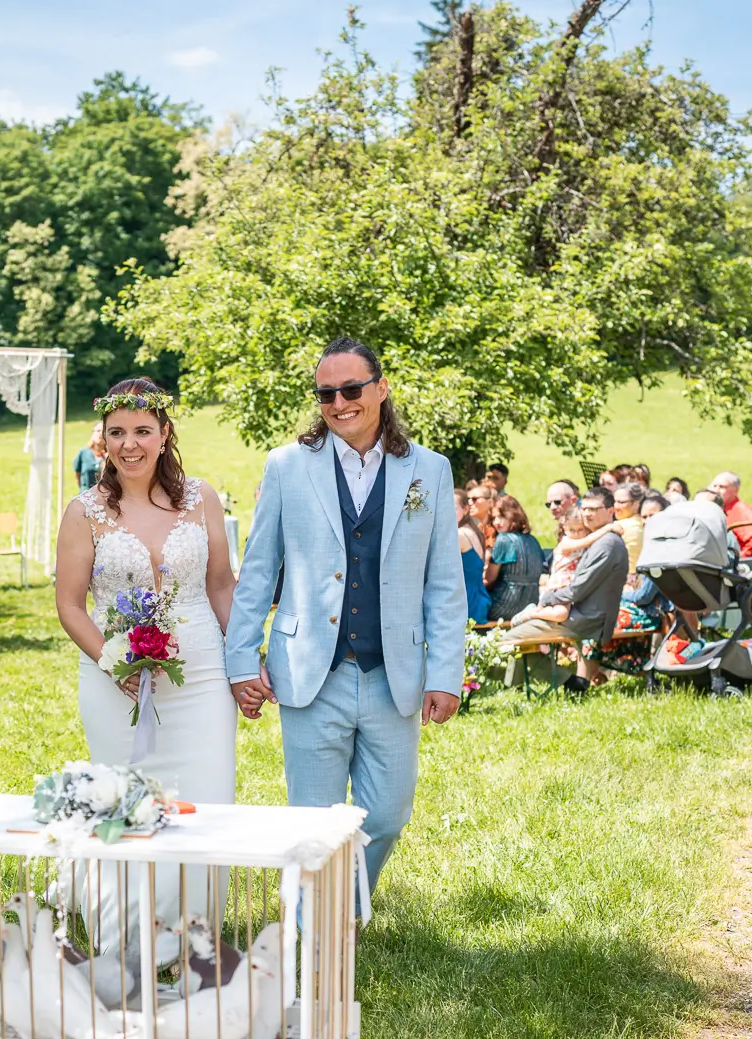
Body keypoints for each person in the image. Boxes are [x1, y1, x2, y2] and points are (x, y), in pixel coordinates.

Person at [226, 339, 465, 898]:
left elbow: (444, 582)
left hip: (392, 672)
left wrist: (445, 673)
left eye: (351, 389)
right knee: (313, 824)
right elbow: (258, 569)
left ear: (381, 389)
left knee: (387, 815)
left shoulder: (429, 470)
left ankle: (345, 905)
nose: (339, 403)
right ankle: (316, 927)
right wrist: (240, 660)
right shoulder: (287, 465)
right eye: (326, 394)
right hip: (310, 668)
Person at [56, 377, 238, 942]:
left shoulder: (202, 498)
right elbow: (70, 605)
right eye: (117, 432)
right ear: (103, 440)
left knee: (206, 797)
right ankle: (129, 930)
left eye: (141, 430)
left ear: (164, 434)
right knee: (128, 801)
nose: (129, 444)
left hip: (201, 677)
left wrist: (244, 661)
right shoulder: (84, 511)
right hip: (114, 681)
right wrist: (114, 663)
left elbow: (221, 585)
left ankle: (193, 930)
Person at [501, 488, 628, 688]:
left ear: (610, 511)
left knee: (509, 640)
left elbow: (577, 590)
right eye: (585, 509)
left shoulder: (607, 543)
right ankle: (516, 685)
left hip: (584, 618)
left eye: (594, 509)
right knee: (518, 637)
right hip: (576, 613)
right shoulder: (598, 538)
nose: (588, 514)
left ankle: (568, 682)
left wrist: (546, 598)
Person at [484, 495, 544, 621]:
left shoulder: (503, 539)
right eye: (494, 518)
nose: (497, 522)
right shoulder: (533, 540)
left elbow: (489, 579)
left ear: (513, 515)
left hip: (503, 606)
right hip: (530, 605)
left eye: (501, 516)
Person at [705, 472, 752, 558]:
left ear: (735, 490)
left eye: (722, 487)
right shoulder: (719, 510)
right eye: (714, 486)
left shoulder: (740, 510)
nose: (716, 491)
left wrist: (739, 559)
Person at [454, 488, 490, 625]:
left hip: (466, 601)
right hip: (478, 598)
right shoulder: (472, 529)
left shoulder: (459, 535)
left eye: (453, 508)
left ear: (465, 509)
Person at [609, 481, 647, 573]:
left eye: (622, 502)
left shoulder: (619, 526)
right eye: (615, 501)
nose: (616, 506)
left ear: (636, 504)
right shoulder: (643, 523)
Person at [73, 424, 105, 492]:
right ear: (93, 433)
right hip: (85, 494)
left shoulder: (113, 455)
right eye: (98, 431)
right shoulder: (83, 453)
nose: (100, 433)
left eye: (103, 431)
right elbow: (77, 474)